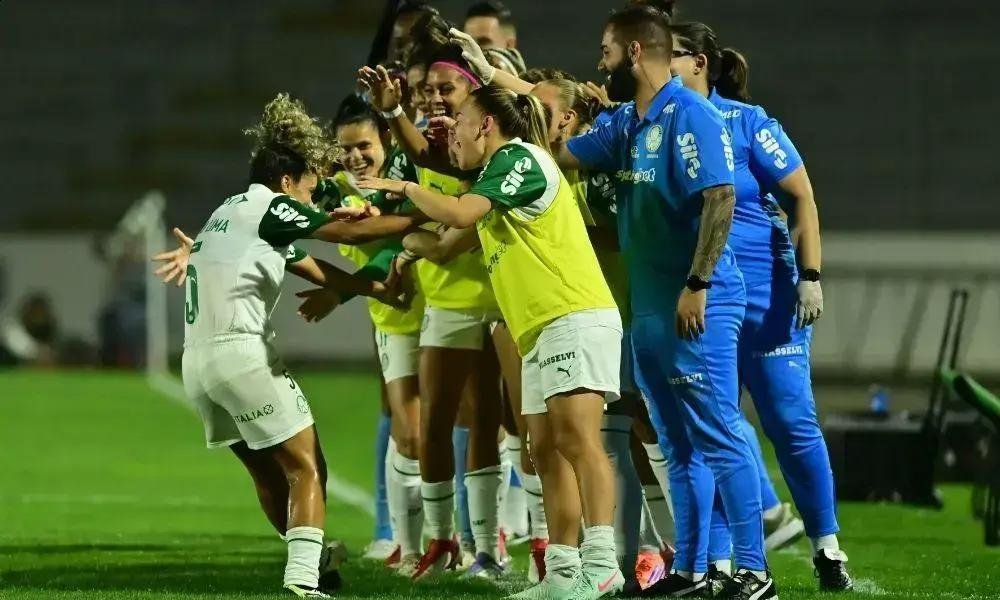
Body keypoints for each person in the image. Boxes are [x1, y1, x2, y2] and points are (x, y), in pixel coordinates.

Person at [358, 84, 625, 600]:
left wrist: (405, 185)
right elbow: (444, 239)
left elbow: (458, 215)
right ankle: (562, 573)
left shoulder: (520, 158)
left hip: (573, 315)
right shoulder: (494, 183)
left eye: (460, 121)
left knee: (577, 439)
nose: (452, 134)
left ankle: (602, 562)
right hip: (538, 328)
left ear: (486, 124)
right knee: (542, 448)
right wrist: (399, 237)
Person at [151, 94, 415, 598]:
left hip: (197, 366)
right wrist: (428, 215)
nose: (313, 201)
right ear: (287, 182)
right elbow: (351, 235)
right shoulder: (273, 207)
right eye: (310, 191)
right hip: (240, 355)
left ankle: (316, 561)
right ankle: (303, 580)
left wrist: (375, 289)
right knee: (307, 466)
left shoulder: (229, 210)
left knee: (269, 472)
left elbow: (311, 267)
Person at [561, 6, 777, 599]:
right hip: (650, 310)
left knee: (720, 435)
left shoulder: (691, 114)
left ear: (634, 52)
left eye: (606, 51)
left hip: (697, 304)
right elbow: (565, 155)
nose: (599, 63)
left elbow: (720, 197)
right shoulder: (629, 123)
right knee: (676, 444)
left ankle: (754, 571)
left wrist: (698, 283)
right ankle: (691, 569)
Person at [670, 21, 851, 592]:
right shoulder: (659, 123)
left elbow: (802, 195)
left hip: (766, 298)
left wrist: (810, 276)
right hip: (704, 298)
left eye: (668, 54)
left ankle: (827, 548)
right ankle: (724, 562)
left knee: (791, 423)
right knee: (716, 431)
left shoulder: (748, 122)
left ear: (699, 62)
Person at [358, 38, 510, 579]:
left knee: (500, 423)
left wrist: (415, 243)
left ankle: (501, 547)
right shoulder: (425, 143)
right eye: (428, 89)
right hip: (446, 300)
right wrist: (395, 113)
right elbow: (419, 173)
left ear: (473, 88)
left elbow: (446, 204)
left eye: (447, 87)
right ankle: (443, 542)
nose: (436, 97)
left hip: (501, 298)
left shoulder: (490, 143)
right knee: (435, 425)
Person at [307, 94, 429, 569]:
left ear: (385, 141)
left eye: (364, 146)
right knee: (410, 434)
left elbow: (402, 242)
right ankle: (404, 542)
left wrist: (339, 292)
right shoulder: (336, 191)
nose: (356, 157)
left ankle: (467, 539)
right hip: (394, 318)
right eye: (346, 149)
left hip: (443, 309)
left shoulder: (407, 179)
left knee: (452, 430)